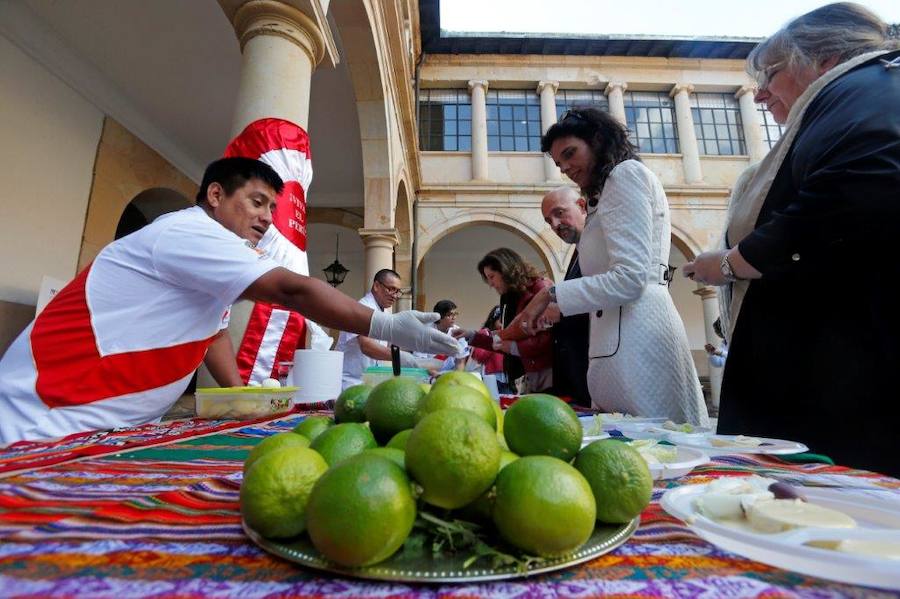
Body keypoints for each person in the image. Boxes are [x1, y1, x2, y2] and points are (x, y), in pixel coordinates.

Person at [0, 158, 458, 445]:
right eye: (257, 202)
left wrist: (240, 397)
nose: (265, 218)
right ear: (215, 195)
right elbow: (292, 289)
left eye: (271, 210)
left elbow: (214, 332)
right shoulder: (190, 231)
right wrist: (385, 327)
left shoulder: (214, 255)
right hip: (41, 424)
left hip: (99, 430)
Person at [682, 3, 900, 475]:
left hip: (848, 386)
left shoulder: (868, 88)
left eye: (772, 74)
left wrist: (732, 261)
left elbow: (866, 183)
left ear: (824, 60)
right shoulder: (856, 92)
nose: (760, 96)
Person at [516, 108, 708, 426]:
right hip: (623, 334)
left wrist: (549, 296)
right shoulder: (606, 190)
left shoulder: (624, 175)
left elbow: (630, 278)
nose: (565, 168)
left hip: (637, 334)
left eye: (570, 153)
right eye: (559, 163)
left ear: (598, 140)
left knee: (649, 447)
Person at [455, 248, 554, 394]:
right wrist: (472, 336)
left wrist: (513, 347)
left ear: (505, 270)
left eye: (492, 277)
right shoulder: (508, 298)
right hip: (520, 375)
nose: (490, 284)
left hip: (542, 375)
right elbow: (504, 338)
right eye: (487, 278)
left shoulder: (540, 290)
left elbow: (546, 339)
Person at [540, 186, 592, 407]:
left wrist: (559, 302)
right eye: (548, 220)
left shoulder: (596, 247)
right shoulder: (580, 250)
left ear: (582, 206)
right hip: (577, 375)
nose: (554, 225)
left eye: (559, 213)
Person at [336, 269, 425, 389]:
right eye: (391, 289)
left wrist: (423, 342)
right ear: (377, 286)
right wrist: (399, 357)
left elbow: (393, 343)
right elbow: (366, 346)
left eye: (398, 291)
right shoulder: (363, 308)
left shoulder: (386, 314)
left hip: (370, 381)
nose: (394, 296)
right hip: (351, 382)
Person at [413, 300, 470, 374]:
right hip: (426, 372)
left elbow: (460, 362)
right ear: (439, 317)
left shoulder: (458, 333)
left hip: (450, 373)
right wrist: (435, 375)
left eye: (455, 314)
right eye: (450, 315)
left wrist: (456, 376)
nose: (454, 318)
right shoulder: (425, 332)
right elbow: (420, 362)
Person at [467, 305, 513, 394]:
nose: (503, 325)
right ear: (493, 320)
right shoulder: (485, 333)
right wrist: (494, 341)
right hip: (491, 378)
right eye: (501, 321)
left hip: (507, 379)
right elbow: (479, 357)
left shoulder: (507, 335)